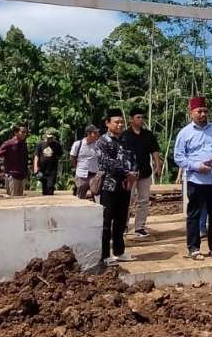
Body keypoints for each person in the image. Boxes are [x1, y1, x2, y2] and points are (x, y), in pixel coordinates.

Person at [173, 97, 212, 260]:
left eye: (205, 111)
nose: (203, 114)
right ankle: (194, 248)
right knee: (194, 214)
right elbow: (178, 157)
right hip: (196, 180)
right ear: (192, 114)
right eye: (199, 111)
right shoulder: (185, 133)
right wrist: (197, 166)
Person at [97, 109, 138, 266]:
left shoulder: (126, 140)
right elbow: (107, 162)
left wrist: (133, 173)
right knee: (107, 221)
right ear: (108, 123)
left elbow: (134, 158)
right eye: (116, 122)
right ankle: (105, 255)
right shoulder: (102, 142)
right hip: (109, 186)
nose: (120, 125)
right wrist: (127, 173)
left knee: (121, 220)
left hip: (125, 186)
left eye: (122, 122)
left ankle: (119, 251)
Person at [120, 106, 163, 239]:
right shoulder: (124, 136)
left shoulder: (148, 135)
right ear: (131, 119)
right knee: (127, 200)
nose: (141, 120)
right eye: (138, 117)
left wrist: (158, 165)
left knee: (143, 200)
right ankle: (123, 225)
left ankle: (139, 227)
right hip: (130, 173)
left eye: (142, 117)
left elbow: (154, 150)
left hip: (145, 172)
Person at [0, 124, 29, 197]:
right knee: (13, 199)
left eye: (26, 132)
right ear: (16, 133)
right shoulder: (9, 144)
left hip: (22, 175)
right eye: (22, 132)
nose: (24, 134)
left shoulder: (23, 144)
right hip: (12, 175)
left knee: (20, 200)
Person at [70, 125, 100, 200]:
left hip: (94, 175)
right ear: (88, 134)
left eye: (97, 133)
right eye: (95, 133)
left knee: (97, 196)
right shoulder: (78, 144)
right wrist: (77, 168)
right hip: (81, 175)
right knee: (80, 197)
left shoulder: (98, 145)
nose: (97, 135)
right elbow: (72, 157)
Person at [33, 129, 62, 196]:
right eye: (48, 138)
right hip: (42, 169)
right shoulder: (40, 144)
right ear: (45, 137)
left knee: (50, 187)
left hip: (52, 169)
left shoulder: (57, 145)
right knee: (45, 188)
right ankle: (46, 203)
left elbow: (59, 155)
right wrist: (35, 167)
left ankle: (50, 198)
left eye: (51, 138)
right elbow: (36, 156)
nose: (50, 139)